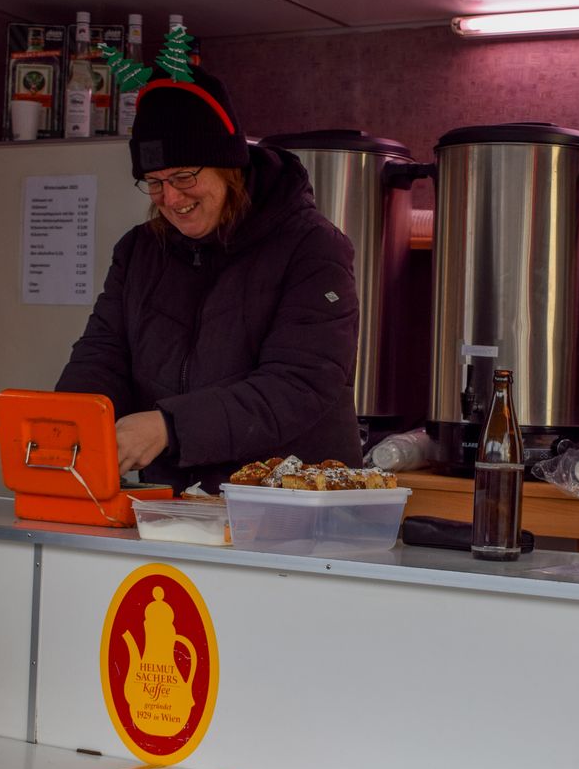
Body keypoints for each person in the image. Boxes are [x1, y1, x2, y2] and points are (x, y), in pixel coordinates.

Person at [56, 66, 362, 493]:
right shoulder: (140, 251)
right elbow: (103, 354)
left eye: (184, 177)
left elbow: (298, 383)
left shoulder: (312, 247)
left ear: (228, 167)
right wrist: (69, 425)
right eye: (155, 182)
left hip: (292, 504)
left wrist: (169, 427)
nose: (171, 198)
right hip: (179, 504)